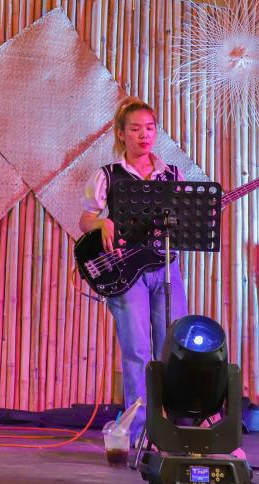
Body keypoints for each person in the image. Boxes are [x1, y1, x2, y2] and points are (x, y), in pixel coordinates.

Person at [78, 97, 185, 445]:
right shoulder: (107, 175)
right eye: (136, 129)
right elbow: (85, 219)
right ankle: (140, 435)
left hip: (166, 269)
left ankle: (177, 427)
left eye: (150, 128)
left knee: (174, 349)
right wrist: (101, 222)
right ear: (121, 134)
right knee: (137, 352)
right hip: (127, 273)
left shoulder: (172, 175)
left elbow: (187, 219)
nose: (144, 135)